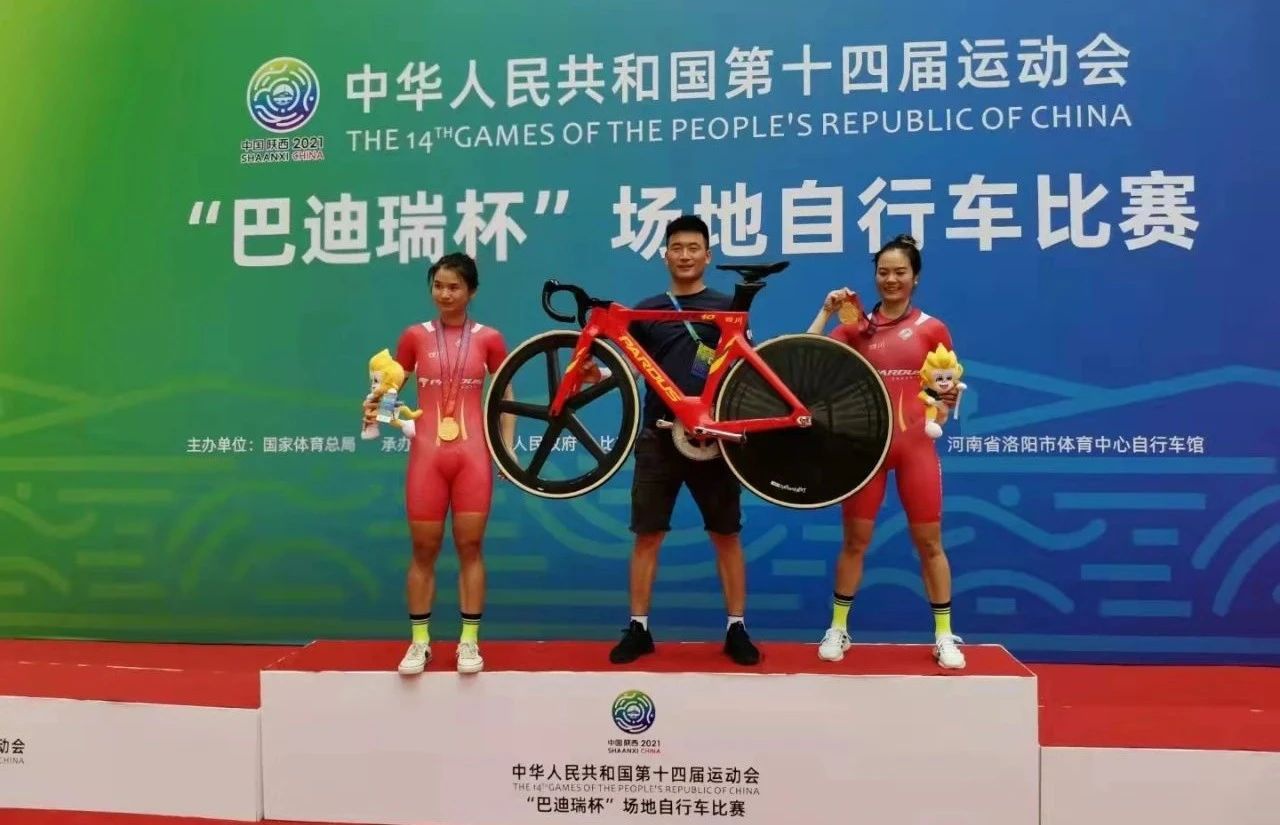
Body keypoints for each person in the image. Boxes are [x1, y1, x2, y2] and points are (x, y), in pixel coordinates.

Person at [805, 234, 966, 669]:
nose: (891, 280)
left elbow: (946, 388)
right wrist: (826, 311)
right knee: (855, 542)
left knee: (930, 543)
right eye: (883, 272)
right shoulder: (857, 326)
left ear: (915, 277)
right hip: (867, 452)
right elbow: (807, 356)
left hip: (915, 449)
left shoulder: (932, 328)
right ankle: (838, 628)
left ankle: (944, 635)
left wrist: (944, 408)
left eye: (900, 272)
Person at [606, 214, 761, 667]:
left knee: (726, 534)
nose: (686, 255)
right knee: (647, 535)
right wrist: (597, 374)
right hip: (658, 436)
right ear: (665, 255)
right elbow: (628, 367)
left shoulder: (727, 307)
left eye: (694, 248)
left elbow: (745, 367)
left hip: (713, 440)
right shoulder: (647, 310)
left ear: (707, 256)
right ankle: (638, 628)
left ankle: (737, 628)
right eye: (677, 247)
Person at [367, 252, 513, 676]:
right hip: (427, 457)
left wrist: (506, 449)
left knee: (470, 547)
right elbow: (393, 387)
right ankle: (420, 643)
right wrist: (380, 412)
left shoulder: (490, 339)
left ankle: (469, 642)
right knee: (423, 549)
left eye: (454, 287)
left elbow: (506, 395)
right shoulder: (414, 336)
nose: (445, 294)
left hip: (473, 457)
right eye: (438, 286)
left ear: (472, 291)